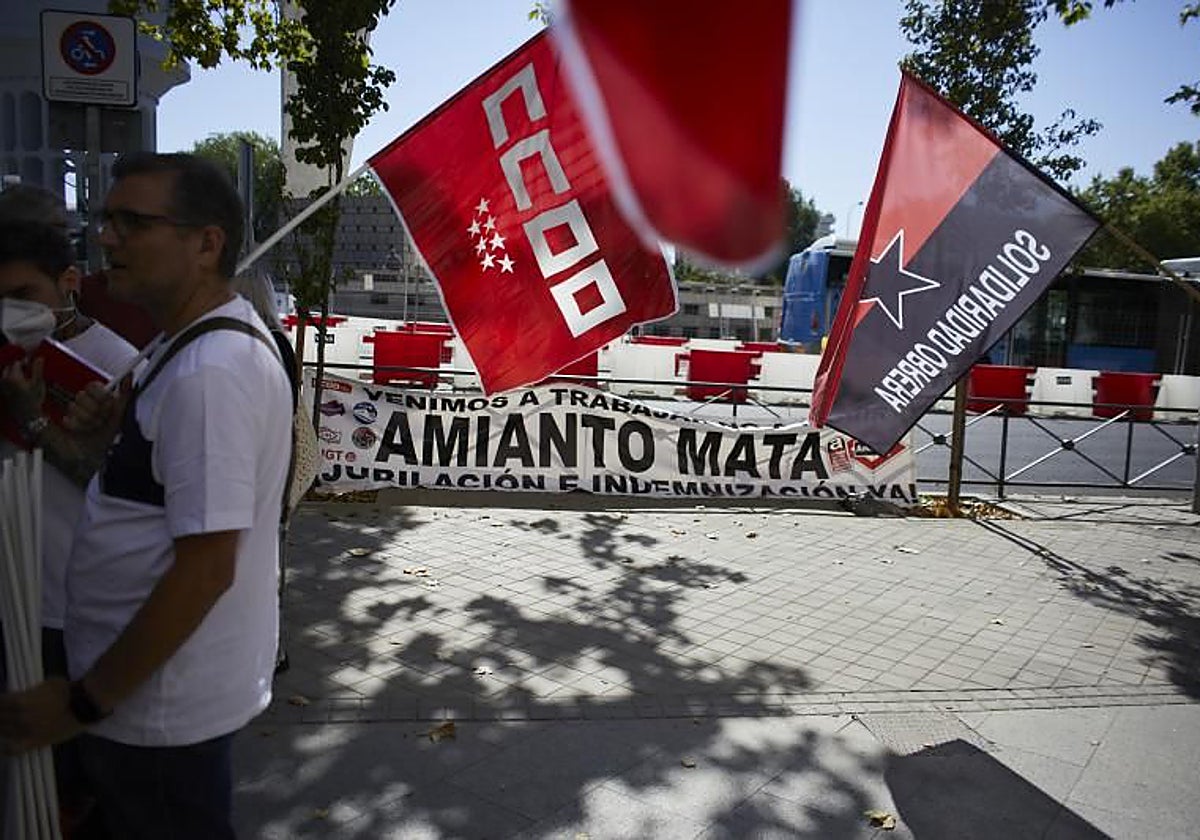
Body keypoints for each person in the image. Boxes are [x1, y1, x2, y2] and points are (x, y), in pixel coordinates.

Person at [0, 153, 292, 839]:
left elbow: (206, 568)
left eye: (134, 221)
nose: (107, 237)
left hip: (159, 716)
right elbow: (162, 504)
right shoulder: (179, 348)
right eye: (107, 220)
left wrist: (80, 704)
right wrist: (109, 445)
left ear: (206, 243)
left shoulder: (212, 371)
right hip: (143, 703)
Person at [0, 214, 140, 835]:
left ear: (68, 284)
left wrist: (35, 422)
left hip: (68, 606)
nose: (7, 311)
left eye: (21, 296)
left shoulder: (117, 363)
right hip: (8, 598)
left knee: (69, 786)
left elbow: (124, 487)